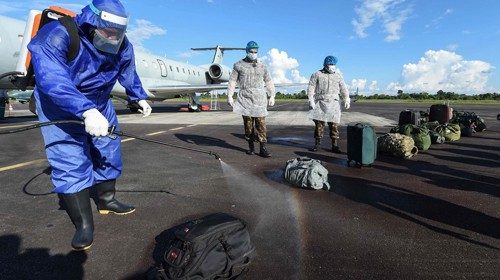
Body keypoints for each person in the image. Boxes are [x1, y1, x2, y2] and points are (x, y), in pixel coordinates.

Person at [27, 0, 152, 251]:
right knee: (70, 159)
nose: (113, 38)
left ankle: (107, 200)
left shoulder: (120, 43)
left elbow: (127, 68)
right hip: (59, 104)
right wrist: (85, 110)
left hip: (100, 102)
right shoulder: (56, 35)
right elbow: (53, 79)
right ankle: (84, 225)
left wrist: (137, 95)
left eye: (118, 34)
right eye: (108, 32)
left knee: (108, 150)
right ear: (91, 24)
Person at [227, 41, 276, 157]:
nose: (253, 53)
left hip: (259, 99)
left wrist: (272, 95)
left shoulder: (262, 66)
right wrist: (230, 95)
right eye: (251, 51)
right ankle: (251, 147)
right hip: (245, 98)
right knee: (248, 124)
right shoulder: (238, 65)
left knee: (261, 124)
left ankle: (263, 148)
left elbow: (268, 81)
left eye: (255, 52)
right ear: (247, 51)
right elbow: (232, 81)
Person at [307, 55, 350, 153]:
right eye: (330, 64)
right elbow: (311, 87)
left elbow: (343, 88)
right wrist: (311, 99)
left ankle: (334, 145)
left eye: (334, 64)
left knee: (334, 125)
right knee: (319, 124)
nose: (332, 66)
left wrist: (346, 98)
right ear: (325, 64)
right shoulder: (317, 74)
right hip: (320, 102)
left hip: (334, 103)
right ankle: (317, 144)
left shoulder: (338, 75)